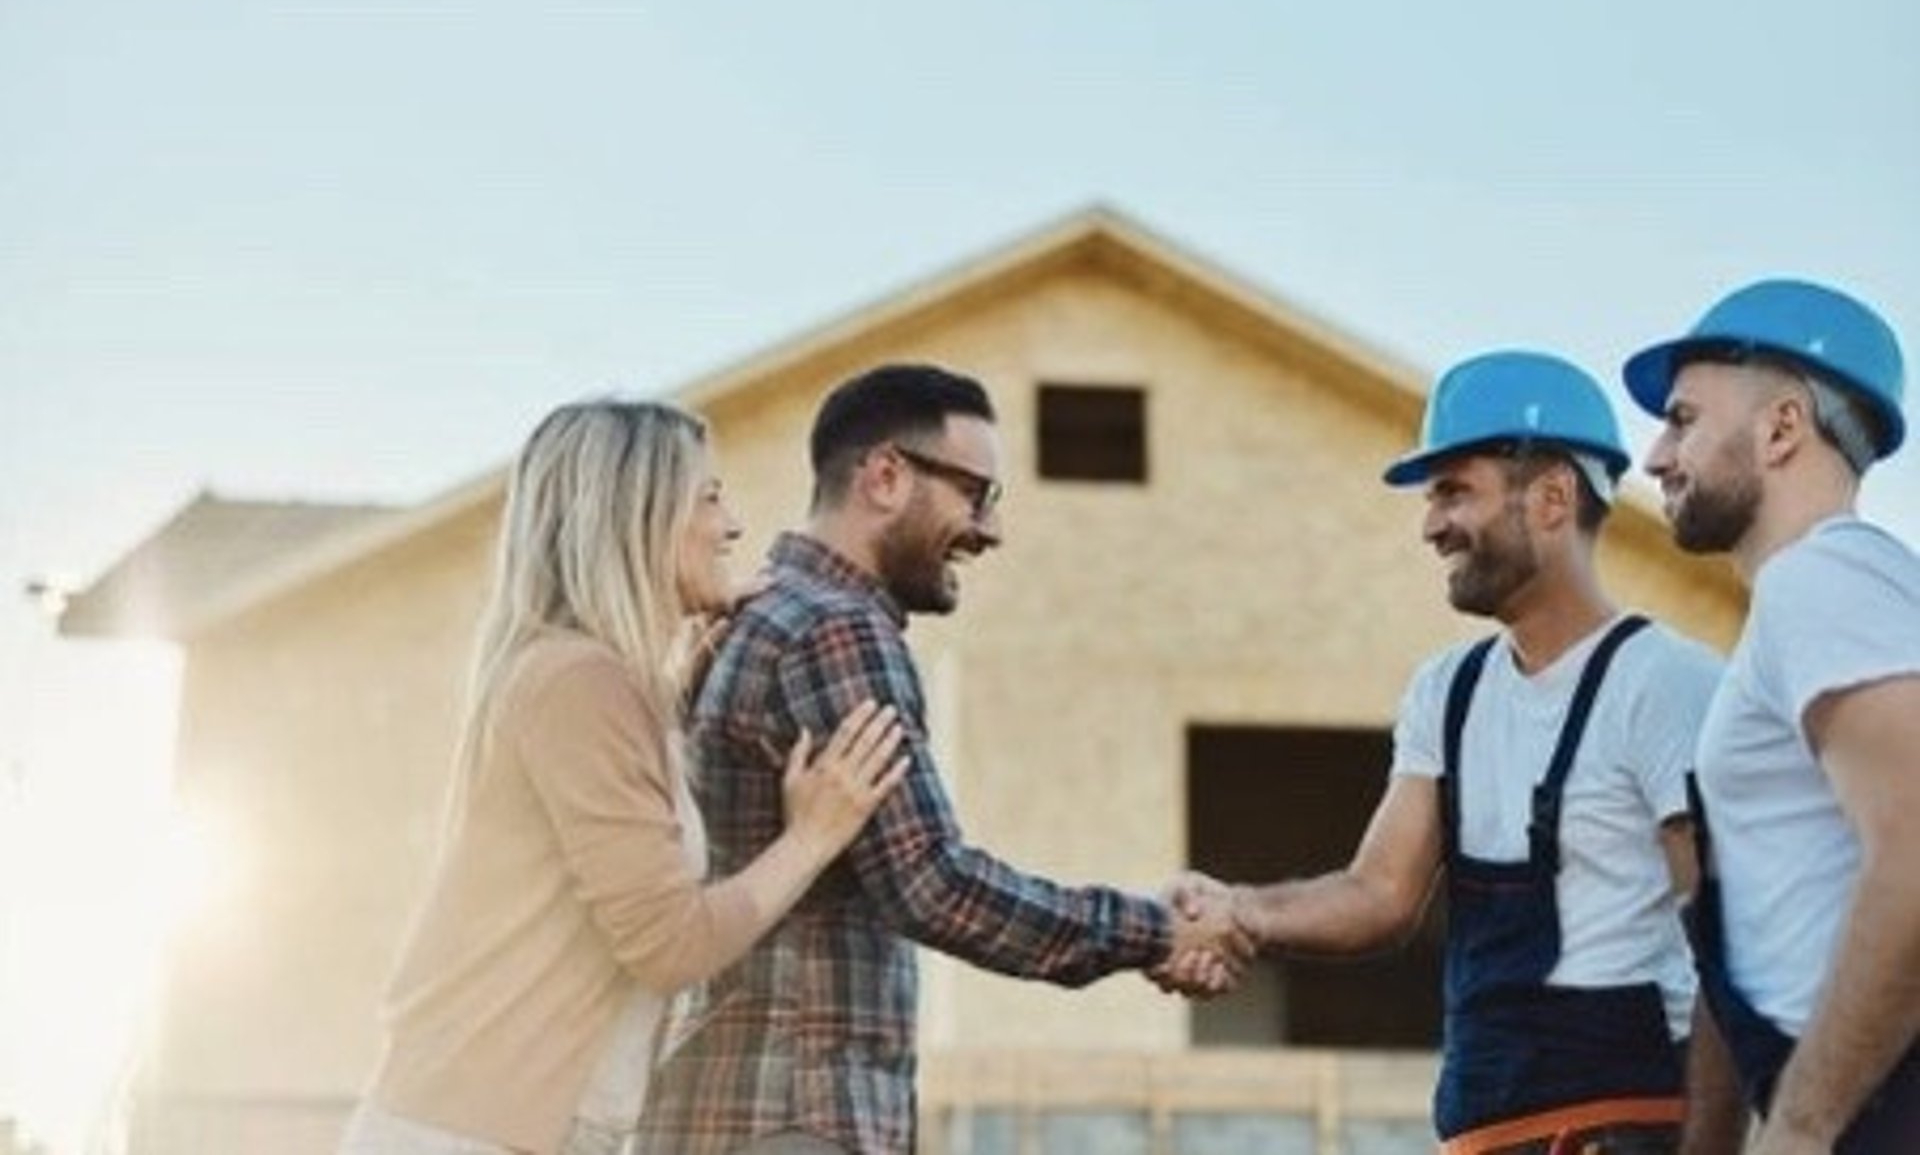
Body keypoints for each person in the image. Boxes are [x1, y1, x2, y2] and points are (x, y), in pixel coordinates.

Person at [636, 363, 1250, 1155]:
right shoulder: (837, 631)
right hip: (795, 1111)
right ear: (886, 476)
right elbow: (931, 882)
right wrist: (1157, 931)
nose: (990, 529)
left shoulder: (750, 616)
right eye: (977, 493)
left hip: (723, 1104)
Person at [1171, 350, 1722, 1152]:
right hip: (1480, 1132)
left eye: (1454, 491)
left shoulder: (1668, 684)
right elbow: (1378, 892)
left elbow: (1728, 941)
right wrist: (1239, 910)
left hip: (1626, 1130)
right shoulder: (1448, 692)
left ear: (1553, 497)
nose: (1431, 525)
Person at [338, 399, 910, 1155]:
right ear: (638, 516)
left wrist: (691, 642)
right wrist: (812, 838)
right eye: (708, 497)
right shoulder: (580, 683)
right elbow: (670, 943)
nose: (734, 525)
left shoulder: (579, 678)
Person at [1623, 278, 1919, 1154]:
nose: (1654, 455)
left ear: (1783, 427)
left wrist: (1800, 1122)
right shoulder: (1849, 595)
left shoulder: (1821, 581)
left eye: (1682, 419)